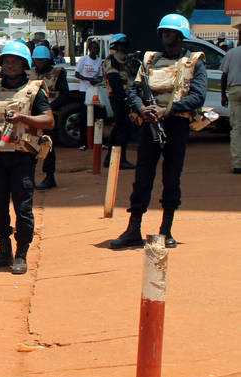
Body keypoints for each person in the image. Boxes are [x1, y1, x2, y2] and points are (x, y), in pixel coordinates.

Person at [110, 14, 207, 250]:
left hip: (176, 125)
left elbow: (198, 96)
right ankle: (134, 229)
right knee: (142, 177)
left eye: (170, 31)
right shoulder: (150, 60)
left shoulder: (194, 62)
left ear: (181, 35)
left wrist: (167, 111)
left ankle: (166, 229)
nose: (165, 34)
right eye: (163, 31)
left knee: (171, 178)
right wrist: (143, 109)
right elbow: (134, 90)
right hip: (149, 124)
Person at [0, 41, 54, 274]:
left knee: (23, 207)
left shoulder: (34, 89)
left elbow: (49, 121)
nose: (10, 65)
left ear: (24, 64)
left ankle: (21, 254)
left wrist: (23, 119)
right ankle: (3, 251)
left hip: (21, 157)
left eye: (15, 61)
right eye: (6, 61)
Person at [28, 45, 69, 189]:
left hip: (49, 117)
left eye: (42, 60)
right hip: (30, 117)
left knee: (48, 146)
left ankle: (49, 176)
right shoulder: (29, 73)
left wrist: (49, 109)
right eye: (37, 60)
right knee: (28, 146)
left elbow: (65, 94)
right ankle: (28, 177)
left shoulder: (57, 73)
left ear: (48, 60)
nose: (39, 63)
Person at [103, 34, 137, 170]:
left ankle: (111, 159)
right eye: (120, 45)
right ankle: (119, 159)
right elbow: (114, 80)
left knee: (120, 128)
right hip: (119, 98)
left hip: (127, 97)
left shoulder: (127, 60)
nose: (123, 48)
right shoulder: (111, 61)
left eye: (124, 45)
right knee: (122, 129)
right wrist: (123, 98)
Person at [221, 36, 241, 173]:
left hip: (235, 91)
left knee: (237, 129)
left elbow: (224, 75)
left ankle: (237, 163)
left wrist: (223, 95)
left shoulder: (231, 53)